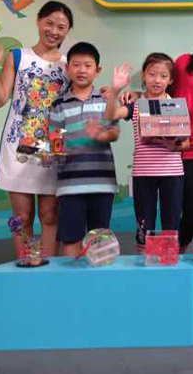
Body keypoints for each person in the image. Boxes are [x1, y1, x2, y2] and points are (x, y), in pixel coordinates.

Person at [120, 12, 193, 253]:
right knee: (192, 212)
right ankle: (172, 254)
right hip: (182, 148)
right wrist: (137, 95)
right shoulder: (185, 63)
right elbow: (161, 89)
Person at [0, 1, 74, 258]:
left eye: (61, 27)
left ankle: (47, 269)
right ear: (38, 21)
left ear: (67, 31)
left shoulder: (69, 65)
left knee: (50, 214)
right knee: (22, 216)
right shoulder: (18, 56)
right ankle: (27, 266)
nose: (54, 31)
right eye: (49, 23)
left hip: (53, 147)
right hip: (18, 147)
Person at [105, 53, 189, 253]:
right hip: (143, 173)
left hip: (172, 173)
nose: (157, 80)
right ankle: (143, 262)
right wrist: (116, 89)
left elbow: (186, 143)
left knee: (171, 224)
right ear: (143, 75)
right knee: (144, 224)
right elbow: (111, 115)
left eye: (163, 76)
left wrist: (173, 146)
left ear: (171, 80)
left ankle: (169, 262)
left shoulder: (177, 105)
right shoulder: (135, 105)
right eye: (152, 74)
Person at [48, 42, 120, 257]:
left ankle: (97, 277)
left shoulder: (106, 100)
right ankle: (70, 278)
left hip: (102, 183)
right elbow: (55, 143)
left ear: (97, 70)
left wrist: (100, 135)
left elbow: (114, 133)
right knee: (71, 238)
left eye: (88, 65)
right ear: (67, 68)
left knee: (100, 240)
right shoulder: (58, 105)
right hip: (70, 185)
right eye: (76, 65)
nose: (82, 70)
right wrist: (50, 154)